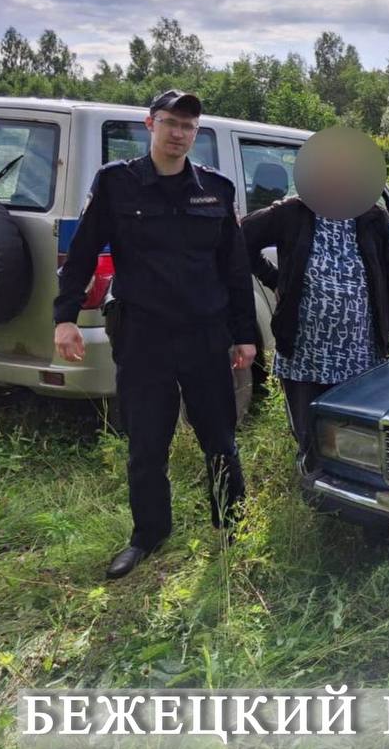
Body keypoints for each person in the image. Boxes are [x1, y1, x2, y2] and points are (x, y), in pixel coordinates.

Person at [54, 90, 257, 579]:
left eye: (189, 126)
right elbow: (81, 254)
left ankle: (232, 527)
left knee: (220, 440)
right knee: (146, 445)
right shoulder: (116, 184)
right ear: (150, 124)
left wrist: (245, 334)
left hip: (205, 334)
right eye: (171, 123)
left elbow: (234, 268)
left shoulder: (216, 189)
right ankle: (148, 535)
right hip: (144, 337)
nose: (180, 133)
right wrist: (63, 317)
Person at [241, 183, 389, 470]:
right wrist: (276, 280)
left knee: (357, 435)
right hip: (305, 354)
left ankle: (354, 492)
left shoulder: (372, 217)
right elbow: (241, 237)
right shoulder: (293, 211)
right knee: (310, 436)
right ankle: (314, 489)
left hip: (359, 353)